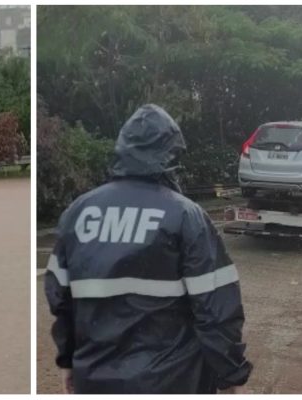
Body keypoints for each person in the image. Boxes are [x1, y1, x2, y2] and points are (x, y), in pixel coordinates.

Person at [44, 104, 252, 394]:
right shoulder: (185, 216)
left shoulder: (78, 213)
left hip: (94, 381)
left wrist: (67, 361)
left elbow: (61, 300)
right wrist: (230, 375)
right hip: (174, 381)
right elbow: (215, 310)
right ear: (169, 155)